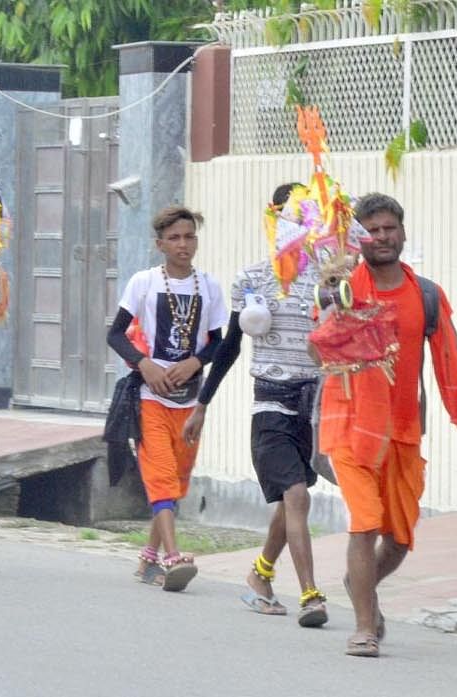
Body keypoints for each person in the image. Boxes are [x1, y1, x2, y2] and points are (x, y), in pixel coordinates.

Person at [321, 193, 457, 656]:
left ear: (403, 233)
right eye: (372, 230)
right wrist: (337, 310)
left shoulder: (425, 294)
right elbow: (317, 352)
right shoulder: (339, 286)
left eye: (390, 228)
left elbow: (451, 353)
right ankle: (365, 627)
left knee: (401, 538)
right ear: (359, 239)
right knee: (364, 524)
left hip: (405, 428)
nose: (383, 237)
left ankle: (359, 581)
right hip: (350, 427)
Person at [184, 183, 327, 624]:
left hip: (314, 405)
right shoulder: (252, 279)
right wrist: (203, 403)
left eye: (305, 217)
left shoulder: (330, 277)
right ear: (273, 220)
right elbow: (229, 347)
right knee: (297, 497)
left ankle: (260, 574)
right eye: (289, 216)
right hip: (271, 403)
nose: (297, 225)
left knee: (289, 506)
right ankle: (311, 596)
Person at [106, 205, 227, 592]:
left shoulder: (209, 287)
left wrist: (195, 361)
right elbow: (115, 335)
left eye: (189, 236)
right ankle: (173, 557)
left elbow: (220, 344)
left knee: (176, 480)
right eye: (174, 238)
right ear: (160, 244)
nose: (183, 244)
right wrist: (144, 365)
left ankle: (147, 559)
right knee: (159, 475)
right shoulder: (143, 283)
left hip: (189, 401)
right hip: (150, 397)